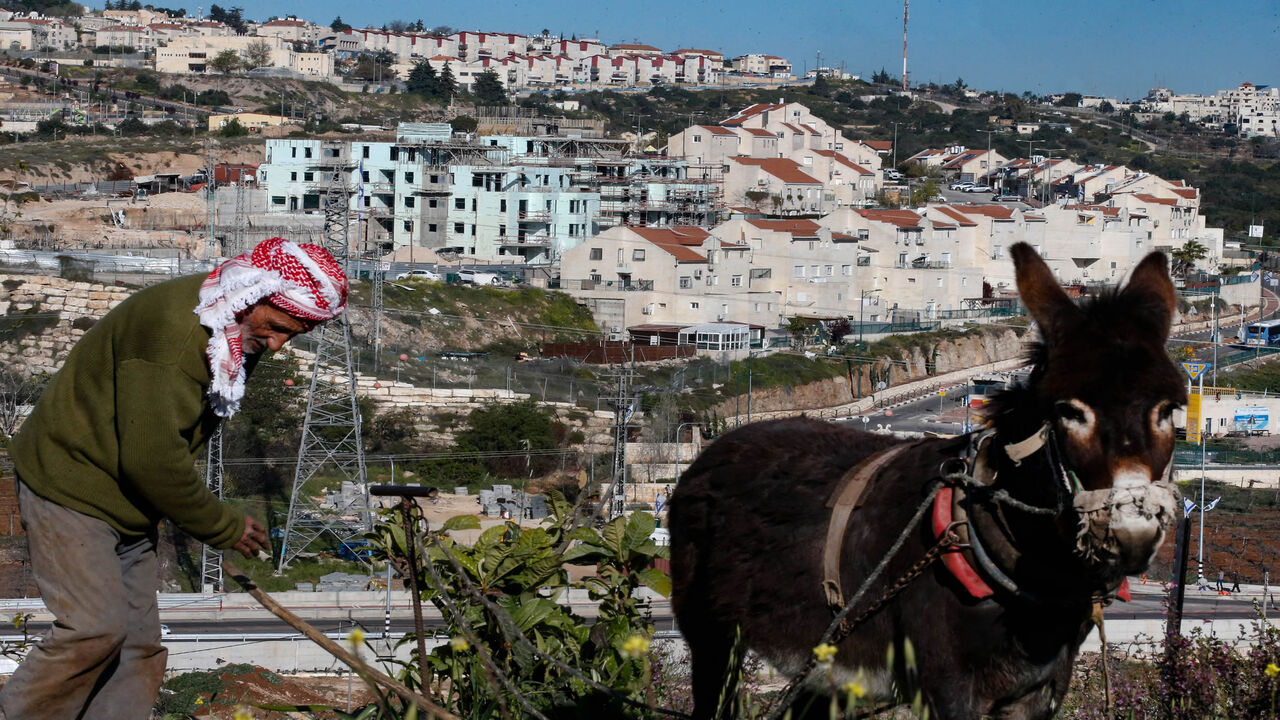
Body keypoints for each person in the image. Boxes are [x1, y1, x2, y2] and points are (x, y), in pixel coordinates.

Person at [0, 237, 348, 720]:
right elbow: (153, 459)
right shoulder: (176, 334)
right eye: (280, 327)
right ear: (254, 292)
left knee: (137, 646)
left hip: (128, 499)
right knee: (93, 629)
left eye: (295, 335)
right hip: (73, 483)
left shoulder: (229, 321)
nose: (279, 343)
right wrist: (221, 526)